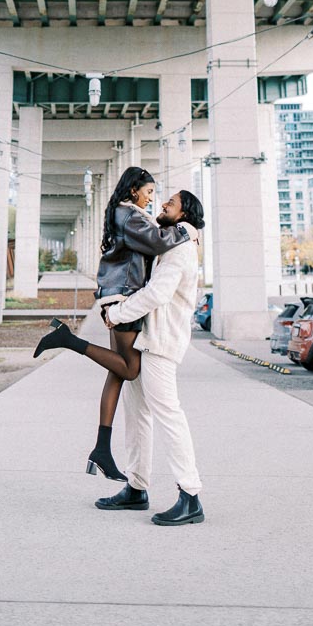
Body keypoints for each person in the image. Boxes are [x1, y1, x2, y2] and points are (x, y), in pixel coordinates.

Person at [32, 166, 197, 481]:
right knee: (130, 369)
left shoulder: (126, 214)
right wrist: (187, 230)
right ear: (134, 189)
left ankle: (101, 449)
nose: (152, 199)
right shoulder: (130, 215)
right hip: (123, 299)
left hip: (117, 295)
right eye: (149, 192)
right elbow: (159, 242)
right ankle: (68, 340)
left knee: (118, 372)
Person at [95, 188, 205, 526]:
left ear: (184, 215)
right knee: (137, 414)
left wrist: (117, 314)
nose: (163, 204)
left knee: (168, 414)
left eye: (170, 203)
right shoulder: (171, 244)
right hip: (148, 340)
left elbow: (157, 293)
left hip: (161, 343)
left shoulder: (180, 249)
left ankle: (190, 496)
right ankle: (136, 487)